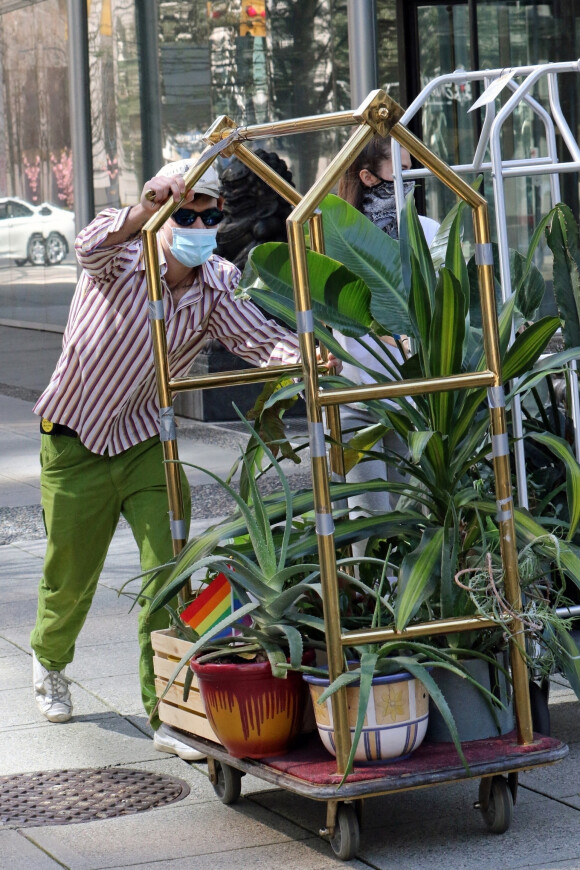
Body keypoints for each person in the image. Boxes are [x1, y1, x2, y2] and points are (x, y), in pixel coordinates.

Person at [30, 158, 339, 760]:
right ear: (166, 213)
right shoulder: (122, 258)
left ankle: (166, 709)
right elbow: (90, 242)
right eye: (186, 210)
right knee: (70, 577)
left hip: (147, 440)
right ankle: (50, 660)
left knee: (172, 575)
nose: (198, 221)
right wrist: (146, 207)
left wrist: (305, 357)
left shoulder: (216, 282)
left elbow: (255, 337)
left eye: (209, 212)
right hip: (75, 439)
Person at [336, 136, 439, 555]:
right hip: (354, 398)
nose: (412, 179)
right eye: (403, 170)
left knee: (407, 513)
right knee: (369, 521)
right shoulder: (338, 235)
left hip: (410, 398)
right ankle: (371, 611)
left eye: (416, 169)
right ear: (367, 175)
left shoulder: (427, 232)